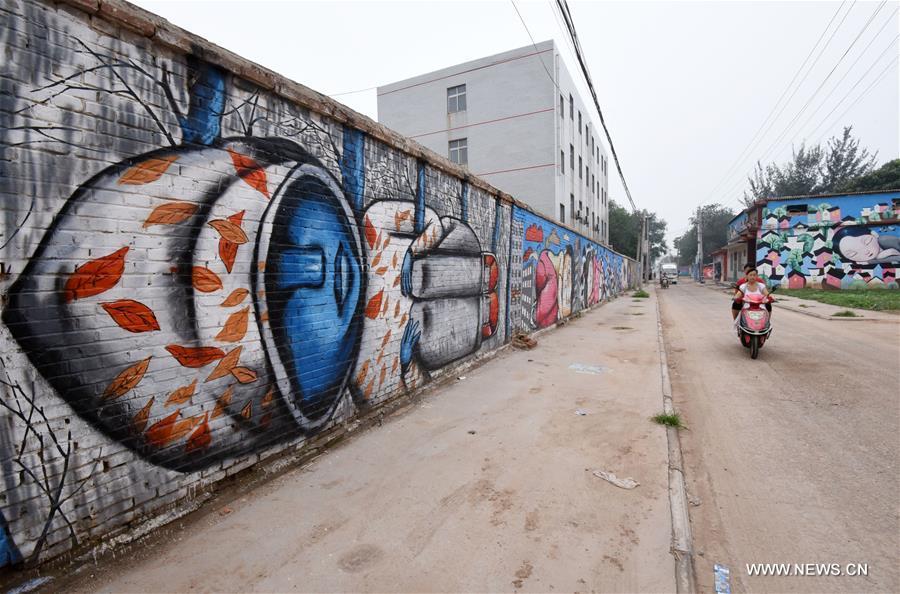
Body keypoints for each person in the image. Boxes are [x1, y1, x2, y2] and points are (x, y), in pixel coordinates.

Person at [831, 226, 900, 265]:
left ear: (874, 234)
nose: (866, 252)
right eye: (853, 254)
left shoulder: (885, 240)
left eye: (867, 242)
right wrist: (878, 258)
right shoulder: (860, 263)